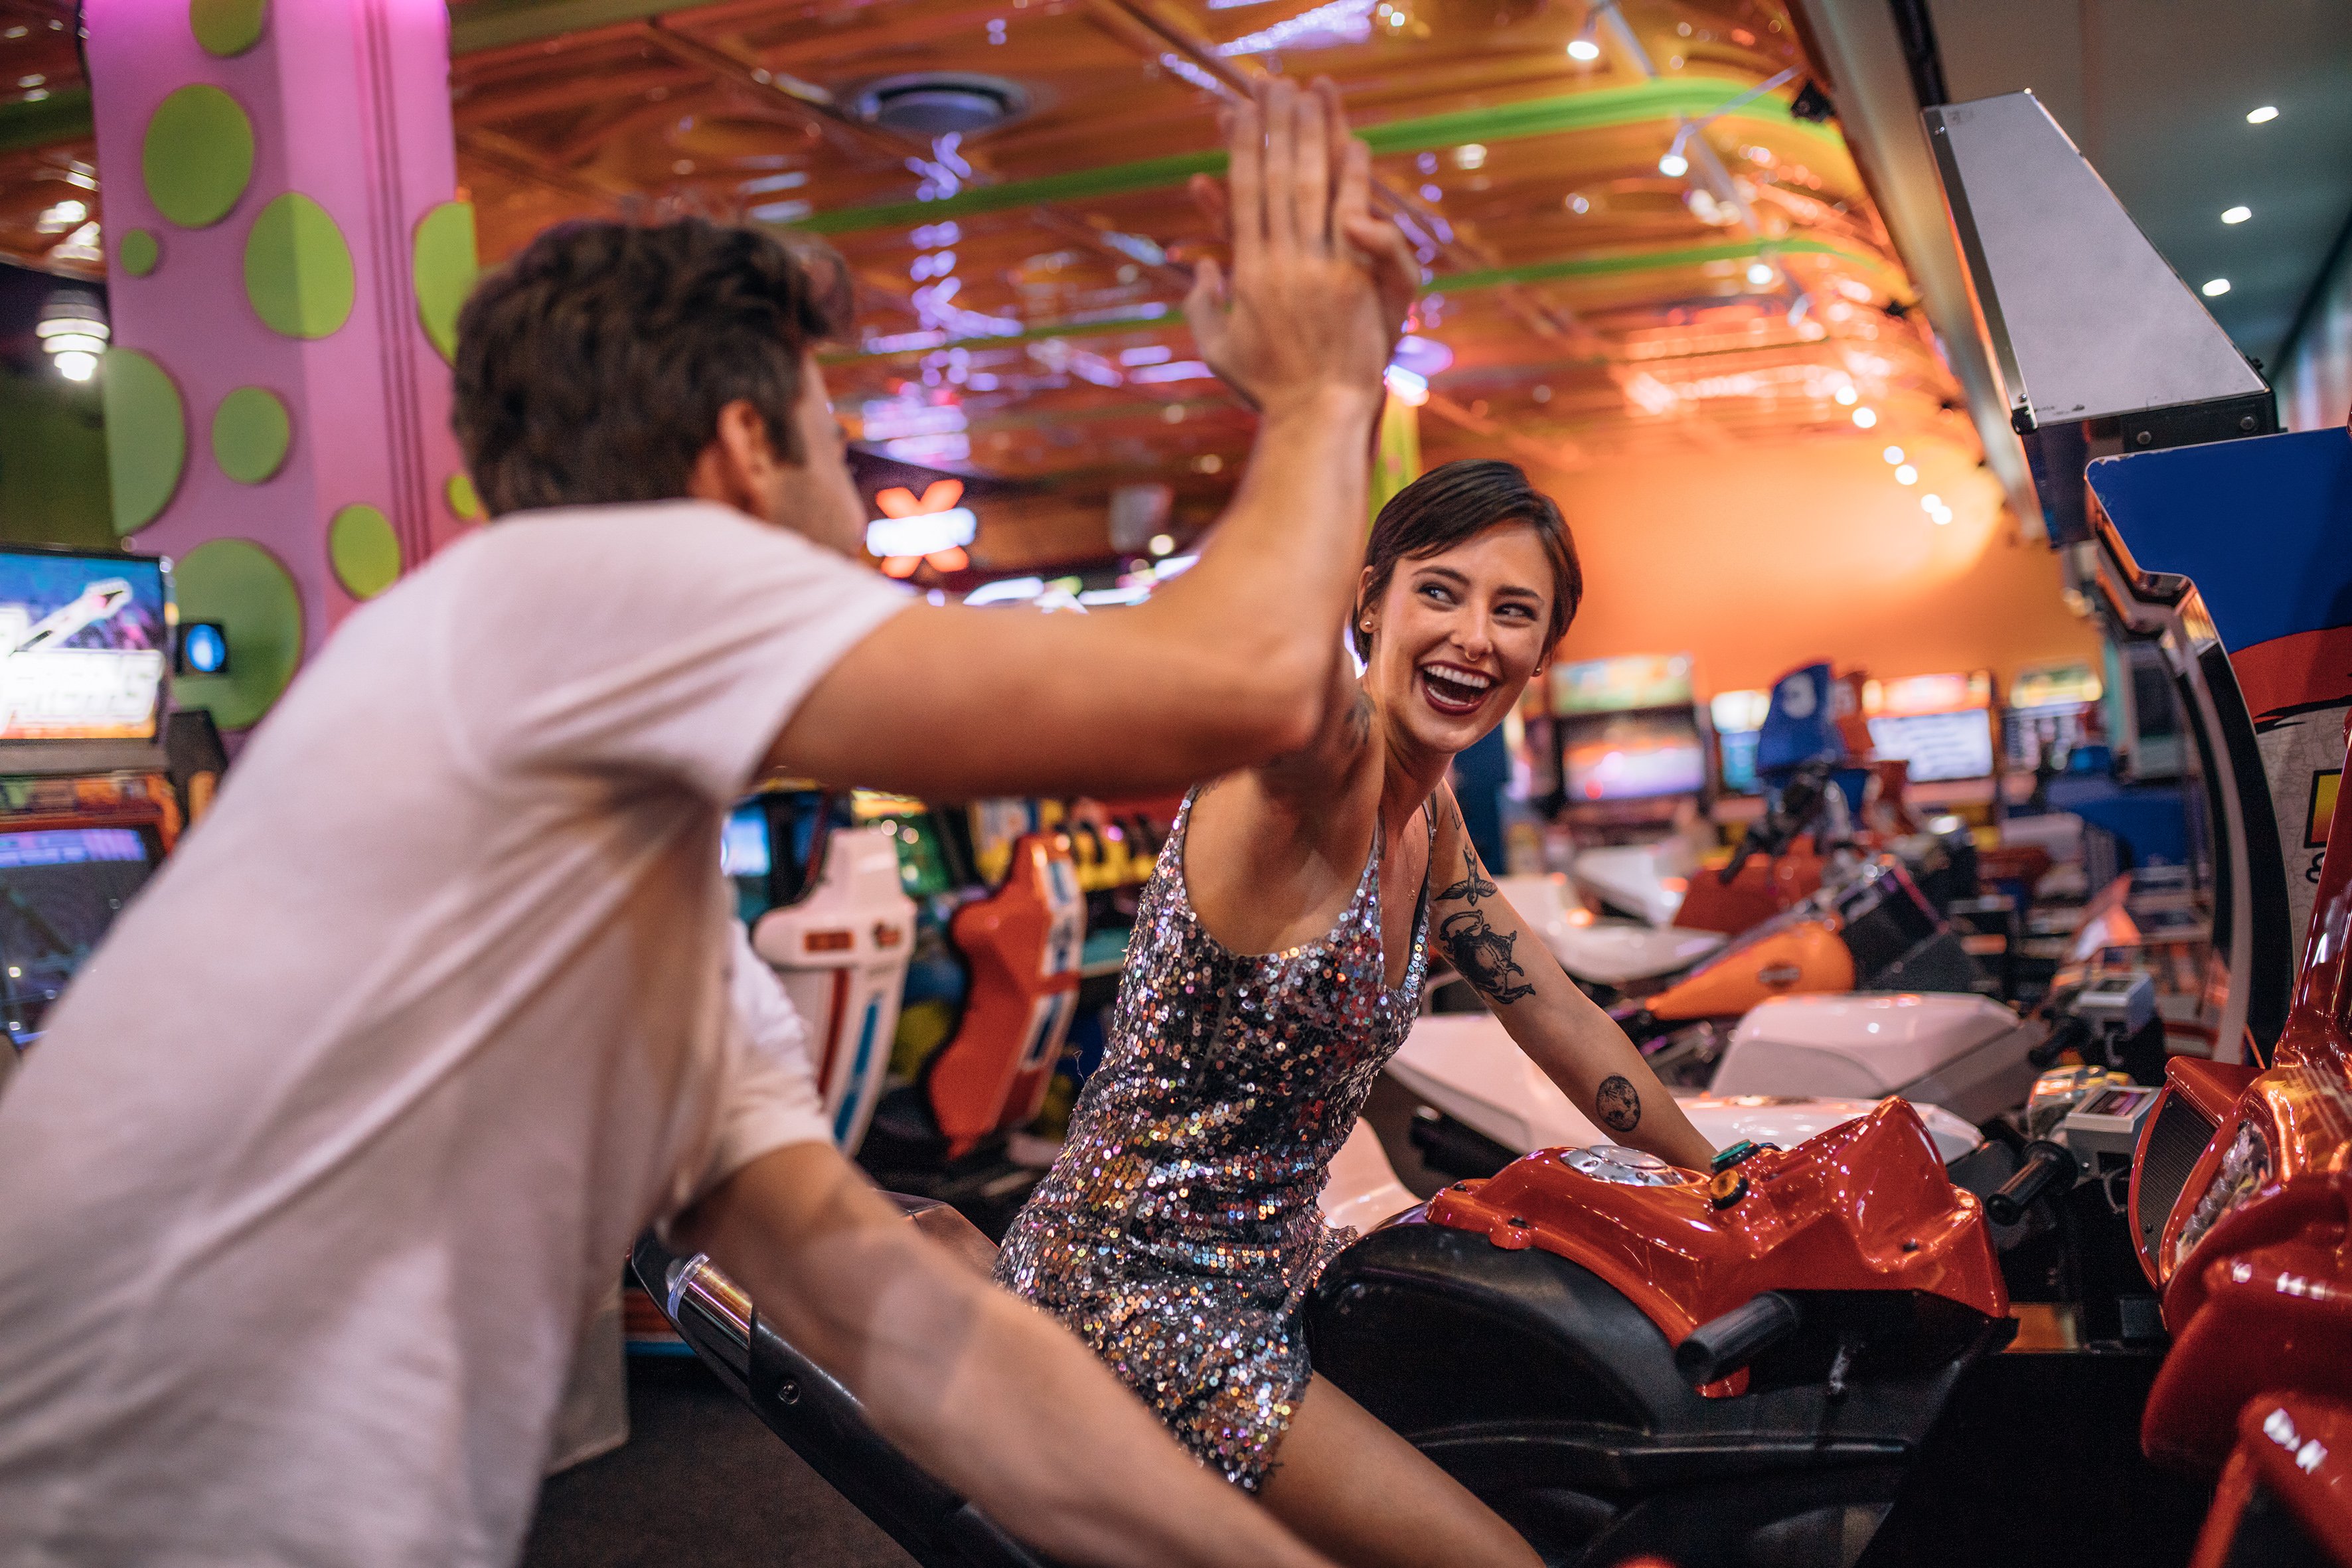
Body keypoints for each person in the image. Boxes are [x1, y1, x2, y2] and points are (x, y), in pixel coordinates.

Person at [0, 80, 1417, 1568]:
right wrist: (1324, 391)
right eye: (833, 429)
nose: (860, 490)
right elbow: (1236, 684)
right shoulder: (586, 582)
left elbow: (923, 1337)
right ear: (744, 448)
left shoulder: (628, 892)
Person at [994, 458, 1720, 1568]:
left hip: (1280, 1262)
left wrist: (1720, 1178)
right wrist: (1324, 394)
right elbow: (1285, 674)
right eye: (1442, 590)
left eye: (1513, 611)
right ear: (1370, 599)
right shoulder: (1314, 775)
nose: (1477, 637)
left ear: (1542, 652)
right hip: (1135, 1297)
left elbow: (1555, 1010)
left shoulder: (1433, 816)